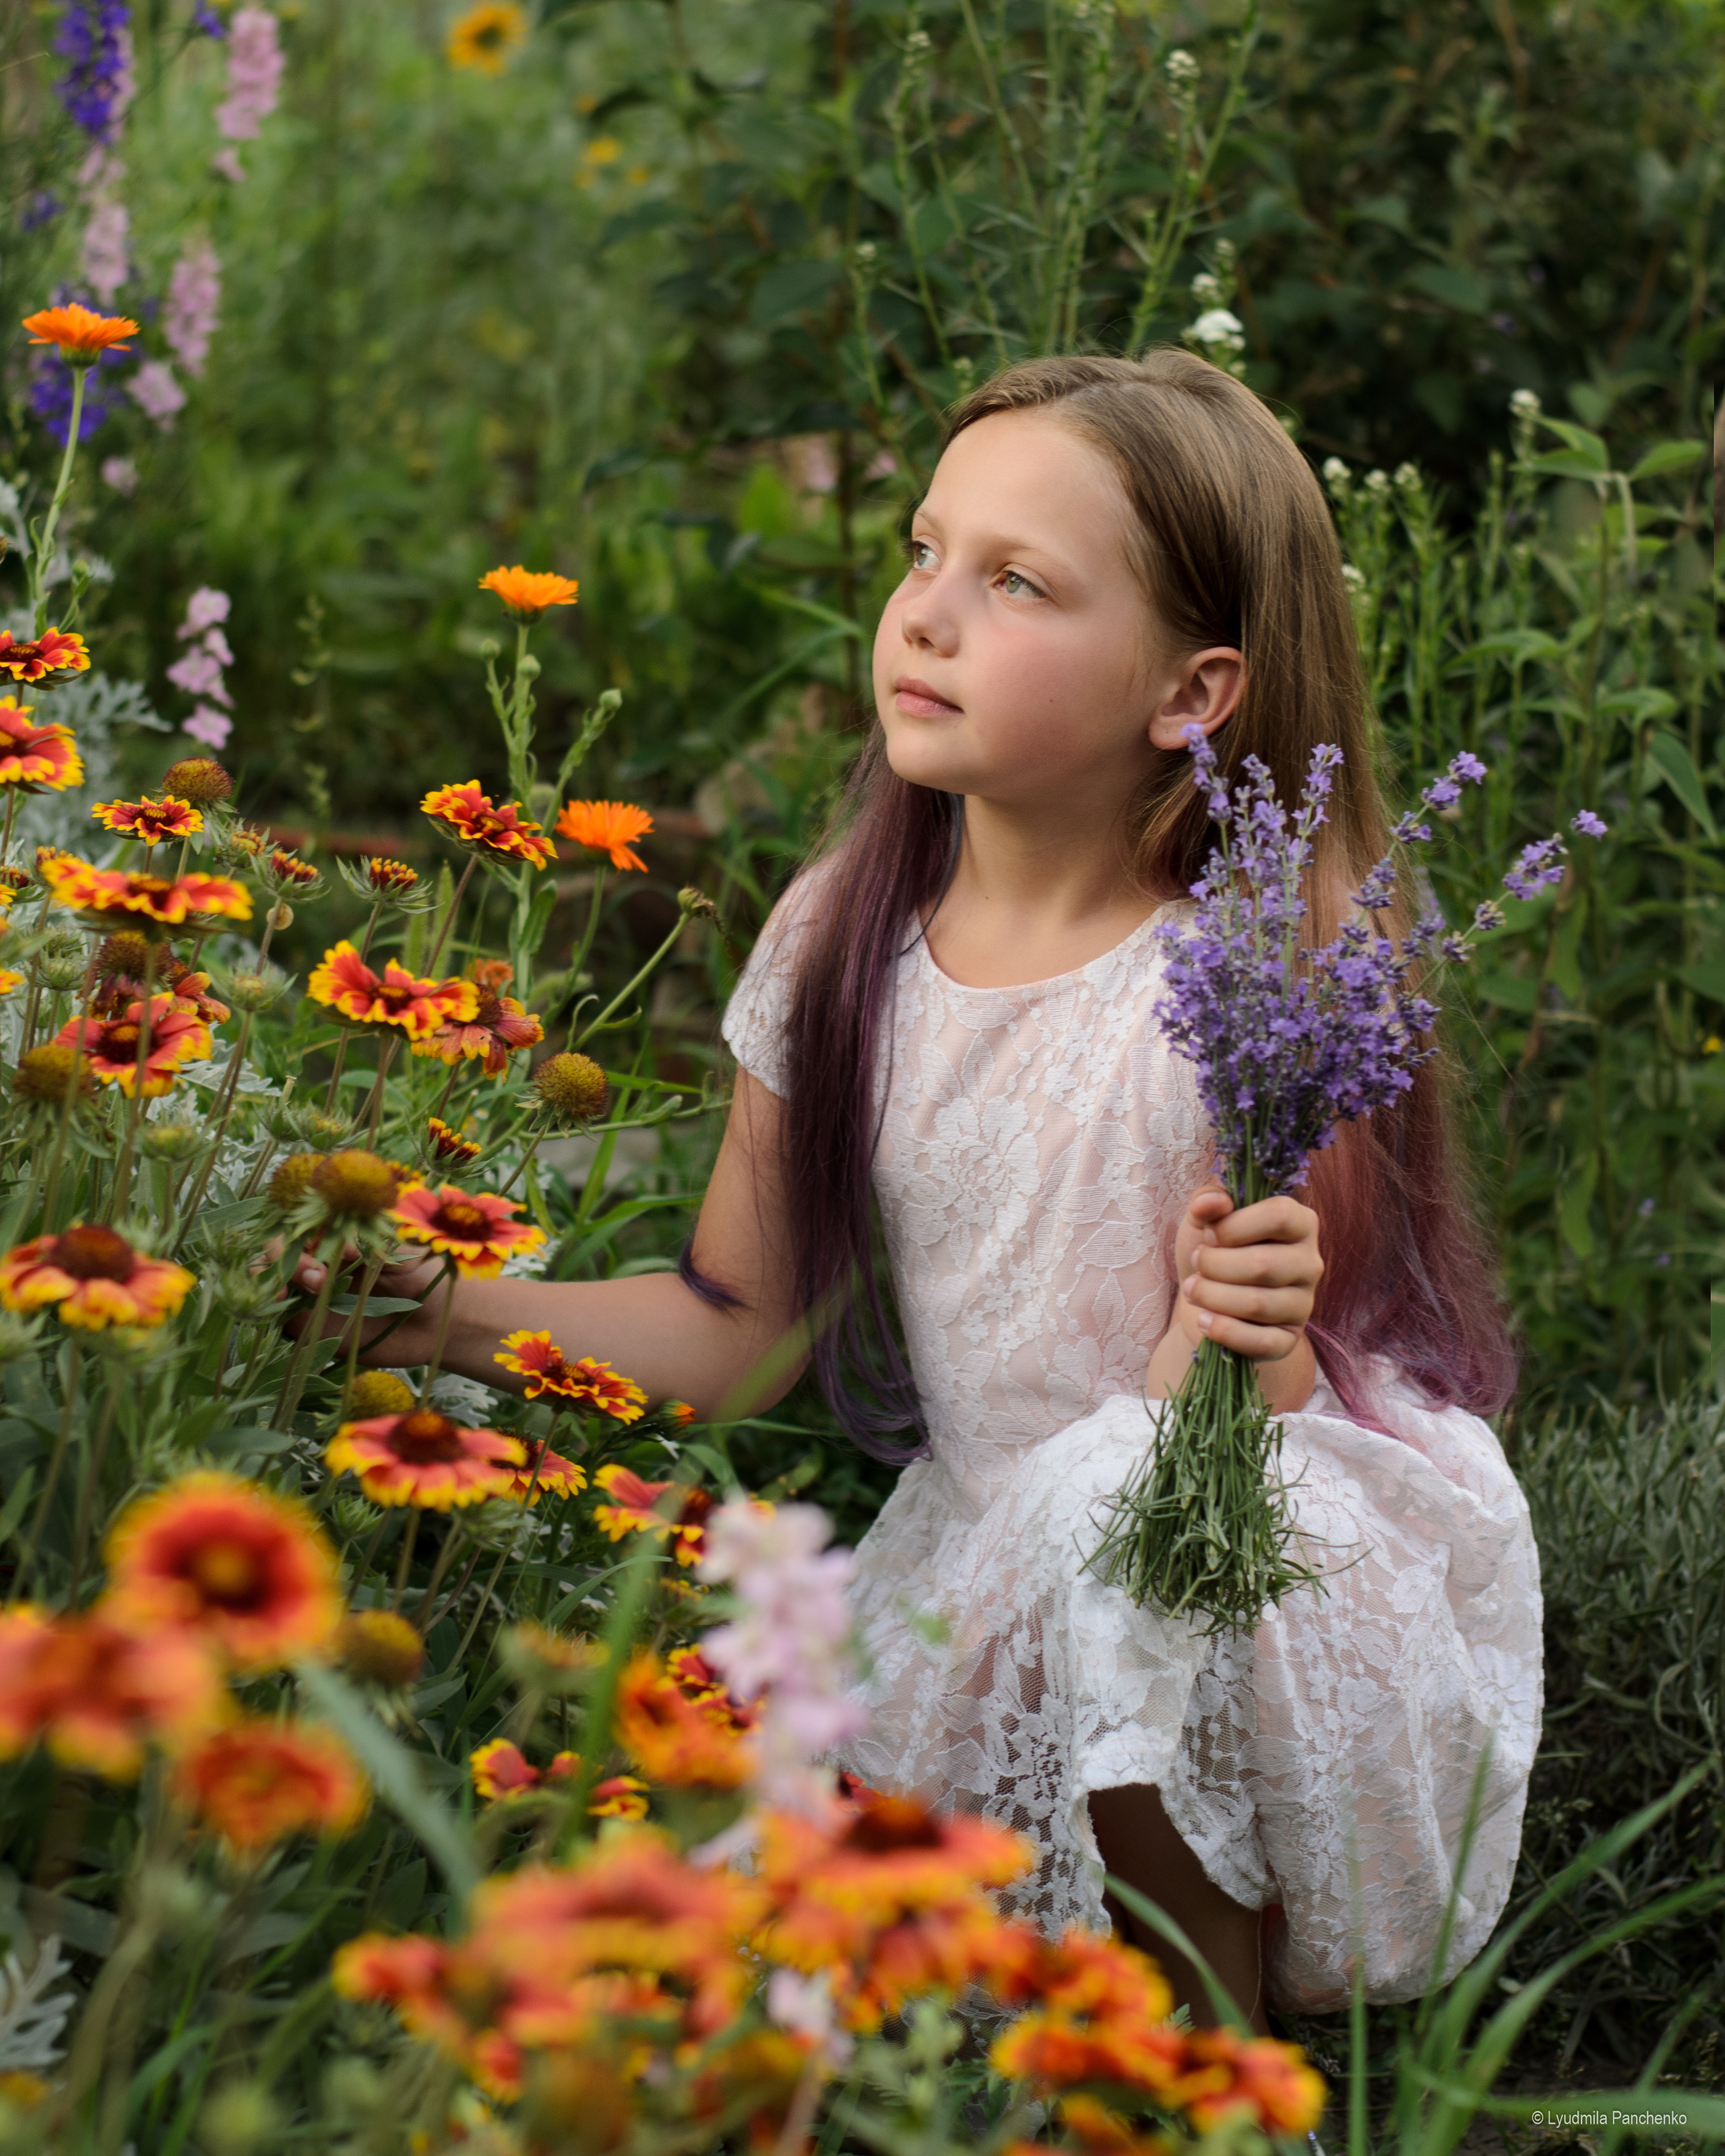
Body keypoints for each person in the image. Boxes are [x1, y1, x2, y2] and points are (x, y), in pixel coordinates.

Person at [305, 351, 1542, 2035]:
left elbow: (1251, 1428)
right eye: (919, 551)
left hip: (1245, 1535)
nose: (926, 616)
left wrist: (1244, 1338)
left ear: (1191, 692)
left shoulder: (1258, 981)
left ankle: (1199, 2072)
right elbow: (737, 1327)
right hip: (978, 1553)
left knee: (1123, 1549)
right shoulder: (842, 936)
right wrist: (432, 1308)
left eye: (1015, 581)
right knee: (732, 2005)